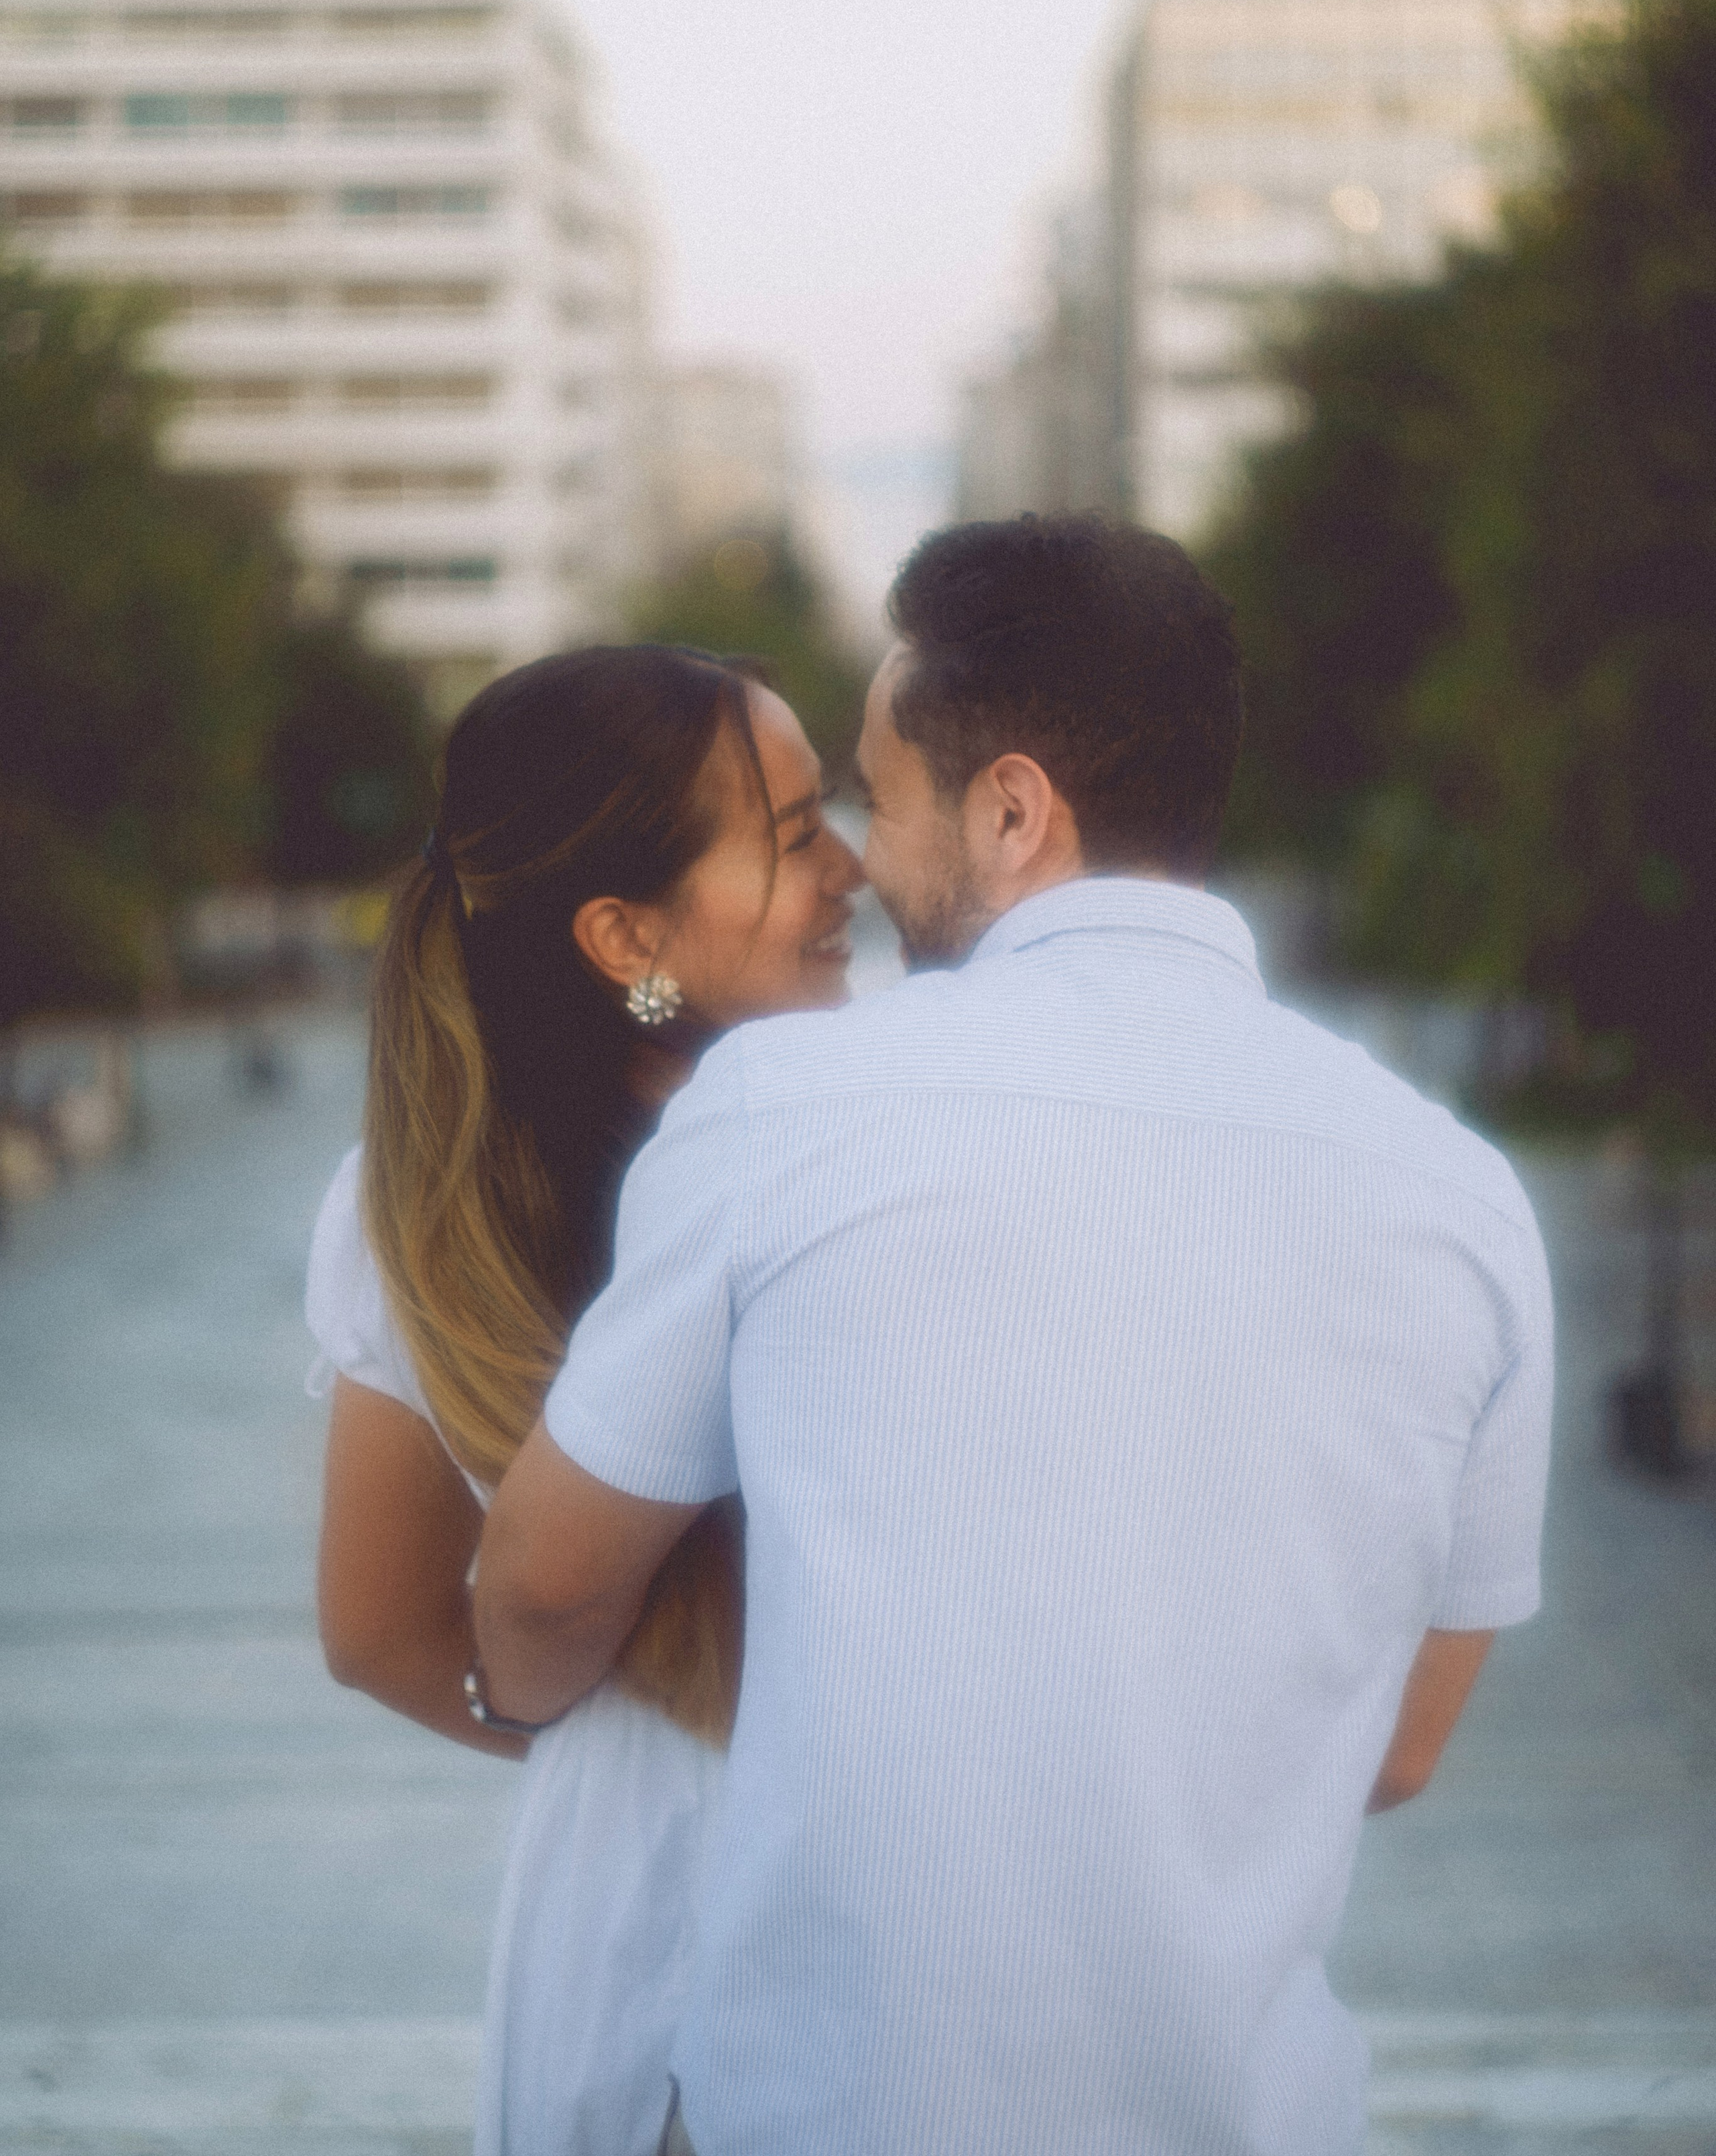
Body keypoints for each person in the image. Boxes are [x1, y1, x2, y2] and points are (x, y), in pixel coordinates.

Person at [474, 516, 1554, 2156]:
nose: (859, 853)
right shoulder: (1465, 1202)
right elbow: (1396, 1744)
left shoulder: (780, 1107)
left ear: (1010, 808)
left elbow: (543, 1589)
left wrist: (536, 1693)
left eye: (880, 798)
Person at [304, 644, 863, 2155]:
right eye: (800, 835)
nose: (854, 871)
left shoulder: (410, 1205)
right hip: (900, 1939)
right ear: (627, 934)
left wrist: (615, 1713)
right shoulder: (875, 1162)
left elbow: (380, 1631)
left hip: (621, 1924)